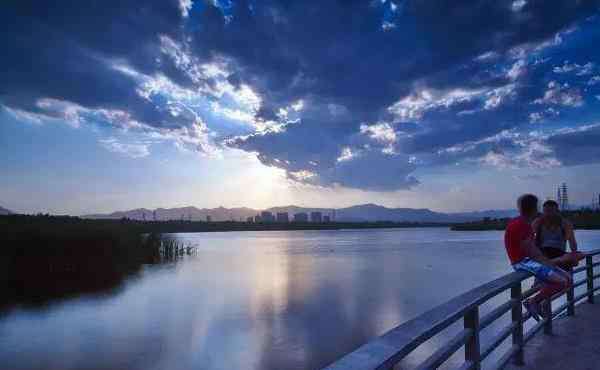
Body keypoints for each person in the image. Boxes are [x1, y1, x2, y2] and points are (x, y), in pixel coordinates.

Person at [504, 194, 572, 321]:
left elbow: (533, 249)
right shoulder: (521, 225)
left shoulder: (524, 224)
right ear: (533, 208)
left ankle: (537, 302)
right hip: (522, 262)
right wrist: (549, 263)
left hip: (530, 260)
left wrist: (549, 263)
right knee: (562, 281)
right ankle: (532, 302)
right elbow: (531, 251)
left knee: (568, 278)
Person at [532, 200, 581, 270]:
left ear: (557, 211)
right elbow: (529, 239)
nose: (547, 214)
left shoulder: (565, 224)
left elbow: (572, 242)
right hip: (543, 256)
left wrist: (574, 255)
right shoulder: (537, 222)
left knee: (581, 255)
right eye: (545, 211)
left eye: (550, 211)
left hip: (559, 256)